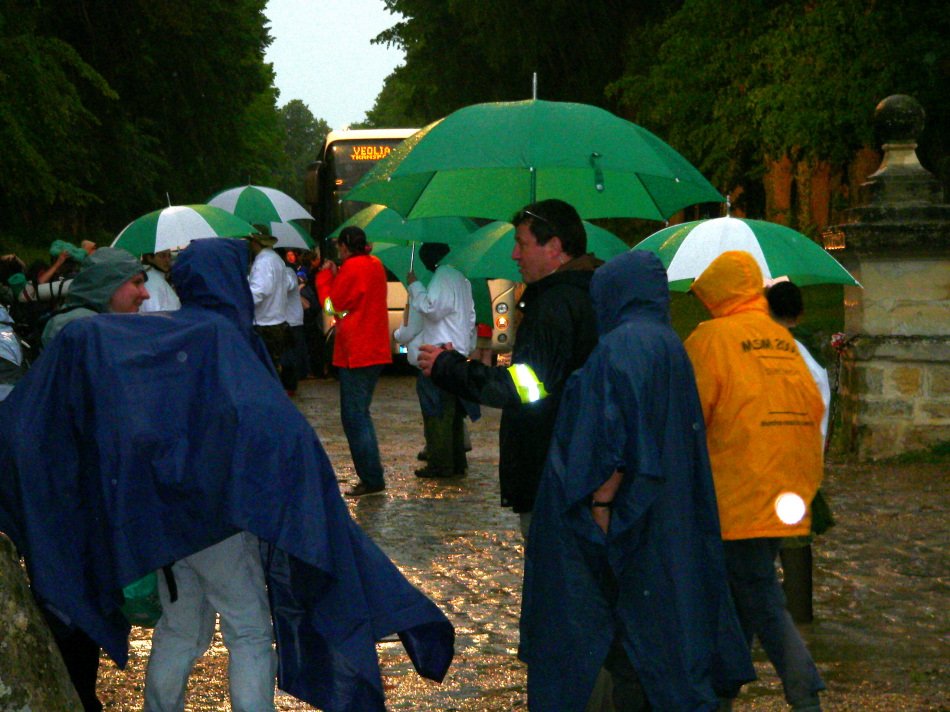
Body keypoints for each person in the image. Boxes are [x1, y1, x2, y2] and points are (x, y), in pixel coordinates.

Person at [0, 238, 455, 711]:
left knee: (182, 628)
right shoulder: (223, 338)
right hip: (215, 517)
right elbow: (270, 428)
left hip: (166, 522)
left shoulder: (161, 333)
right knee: (250, 630)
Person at [520, 250, 755, 711]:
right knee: (661, 634)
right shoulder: (666, 343)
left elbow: (614, 436)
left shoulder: (622, 348)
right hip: (666, 521)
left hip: (630, 529)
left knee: (628, 643)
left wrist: (602, 508)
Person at [684, 251, 826, 712]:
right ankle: (723, 690)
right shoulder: (782, 340)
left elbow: (691, 416)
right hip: (787, 487)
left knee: (758, 594)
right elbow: (815, 407)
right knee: (743, 592)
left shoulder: (711, 338)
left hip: (735, 491)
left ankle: (804, 685)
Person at [418, 199, 599, 537]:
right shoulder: (582, 293)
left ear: (555, 247)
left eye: (522, 243)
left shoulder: (555, 305)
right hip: (571, 464)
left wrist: (450, 367)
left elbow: (524, 387)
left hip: (552, 470)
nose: (515, 255)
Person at [34, 246, 147, 711]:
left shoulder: (88, 324)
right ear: (108, 286)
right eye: (134, 283)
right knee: (77, 601)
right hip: (74, 495)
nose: (143, 293)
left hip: (82, 490)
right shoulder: (79, 329)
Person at [766, 279, 834, 624]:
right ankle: (799, 613)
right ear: (801, 312)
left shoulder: (774, 351)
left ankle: (781, 615)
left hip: (776, 454)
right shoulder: (814, 355)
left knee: (775, 537)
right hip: (803, 455)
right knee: (794, 536)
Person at [321, 226, 391, 497]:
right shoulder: (375, 265)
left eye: (339, 247)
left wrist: (327, 278)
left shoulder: (352, 268)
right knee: (360, 414)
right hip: (374, 348)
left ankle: (371, 477)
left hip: (357, 351)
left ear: (345, 247)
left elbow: (332, 306)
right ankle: (372, 476)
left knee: (354, 417)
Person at [407, 242, 477, 478]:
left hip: (439, 353)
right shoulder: (460, 278)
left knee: (436, 410)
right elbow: (470, 317)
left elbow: (431, 307)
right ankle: (456, 462)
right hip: (456, 351)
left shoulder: (443, 275)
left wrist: (414, 285)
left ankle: (440, 464)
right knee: (453, 412)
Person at [245, 228, 294, 379]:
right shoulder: (276, 259)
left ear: (255, 242)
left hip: (265, 323)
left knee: (264, 371)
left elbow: (259, 292)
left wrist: (242, 302)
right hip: (277, 320)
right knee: (272, 367)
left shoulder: (263, 262)